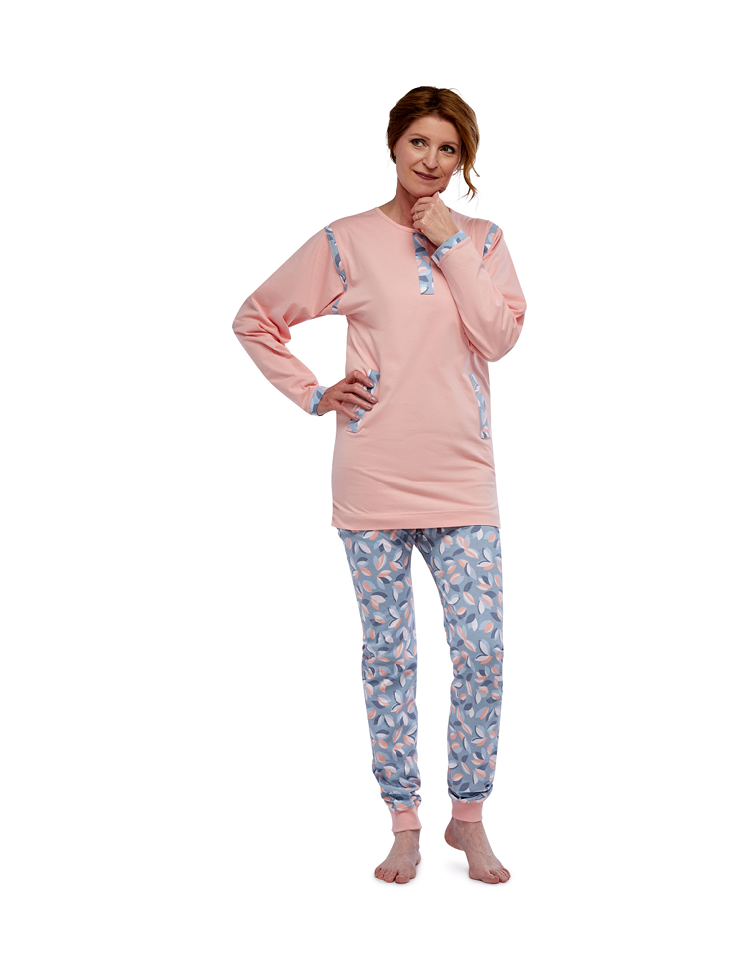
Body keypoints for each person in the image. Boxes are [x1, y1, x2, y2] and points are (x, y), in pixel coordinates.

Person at [232, 86, 526, 884]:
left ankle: (469, 816)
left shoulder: (485, 241)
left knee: (482, 654)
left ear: (463, 161)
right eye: (419, 143)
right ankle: (404, 821)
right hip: (373, 482)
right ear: (393, 144)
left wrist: (450, 240)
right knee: (389, 658)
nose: (431, 160)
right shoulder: (347, 242)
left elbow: (497, 337)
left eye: (448, 149)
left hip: (462, 481)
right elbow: (256, 317)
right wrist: (314, 392)